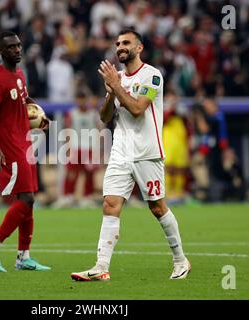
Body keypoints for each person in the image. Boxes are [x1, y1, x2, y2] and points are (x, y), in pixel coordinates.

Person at [71, 29, 190, 281]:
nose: (120, 47)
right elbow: (104, 118)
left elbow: (137, 109)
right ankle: (101, 267)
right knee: (110, 204)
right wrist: (112, 91)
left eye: (126, 43)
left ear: (139, 48)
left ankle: (180, 260)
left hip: (147, 153)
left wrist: (116, 86)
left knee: (157, 207)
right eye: (117, 43)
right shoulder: (118, 79)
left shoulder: (152, 76)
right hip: (121, 151)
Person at [0, 30, 50, 273]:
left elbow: (25, 101)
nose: (17, 50)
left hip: (24, 141)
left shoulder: (19, 75)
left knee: (28, 201)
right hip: (8, 145)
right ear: (0, 51)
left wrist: (41, 118)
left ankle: (23, 257)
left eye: (19, 46)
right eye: (11, 47)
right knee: (26, 198)